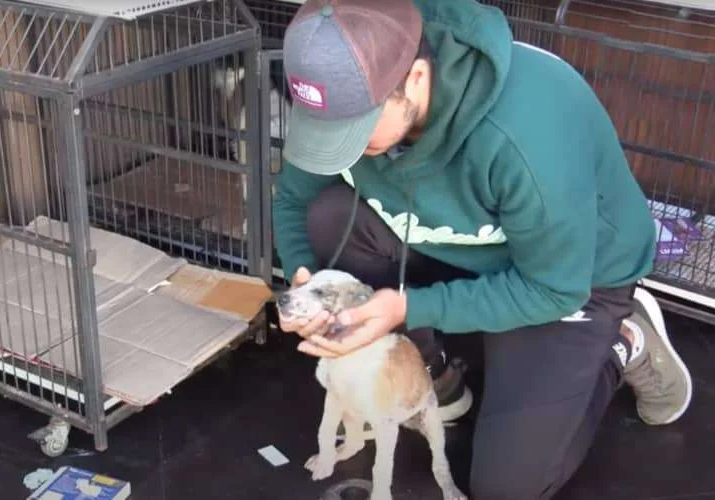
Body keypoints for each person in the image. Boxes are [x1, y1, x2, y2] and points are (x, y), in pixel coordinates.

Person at [271, 0, 693, 498]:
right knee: (329, 216)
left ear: (417, 78)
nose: (342, 146)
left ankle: (623, 341)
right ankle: (434, 373)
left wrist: (410, 306)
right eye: (327, 132)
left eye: (355, 131)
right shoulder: (342, 99)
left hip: (569, 279)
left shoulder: (525, 135)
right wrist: (306, 281)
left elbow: (553, 288)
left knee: (506, 487)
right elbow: (295, 199)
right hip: (453, 242)